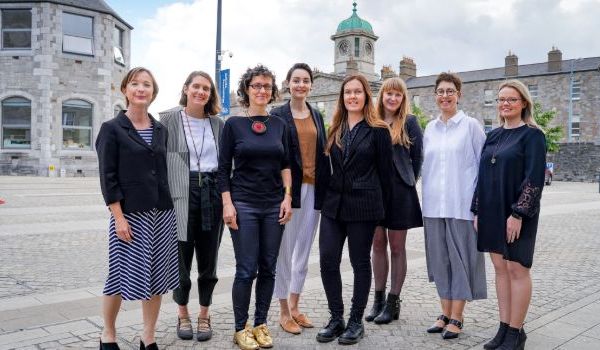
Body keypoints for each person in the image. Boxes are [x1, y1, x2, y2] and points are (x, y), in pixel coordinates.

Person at [96, 67, 178, 350]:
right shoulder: (111, 129)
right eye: (135, 84)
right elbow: (108, 178)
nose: (141, 89)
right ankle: (108, 333)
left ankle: (148, 335)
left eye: (147, 85)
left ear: (153, 93)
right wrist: (118, 217)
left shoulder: (161, 130)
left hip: (162, 213)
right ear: (125, 90)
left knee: (156, 276)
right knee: (119, 274)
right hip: (129, 216)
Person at [217, 64, 292, 350]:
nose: (262, 90)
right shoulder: (233, 125)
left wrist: (287, 198)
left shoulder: (279, 125)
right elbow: (224, 169)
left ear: (272, 91)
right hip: (244, 204)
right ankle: (240, 328)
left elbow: (286, 165)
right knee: (246, 269)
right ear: (246, 90)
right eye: (256, 85)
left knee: (268, 268)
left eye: (267, 86)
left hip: (274, 204)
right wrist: (228, 204)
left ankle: (261, 324)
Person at [316, 74, 393, 345]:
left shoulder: (379, 130)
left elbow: (386, 175)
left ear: (365, 96)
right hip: (333, 206)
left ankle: (355, 321)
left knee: (360, 263)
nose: (352, 96)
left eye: (357, 92)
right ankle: (336, 318)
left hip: (364, 206)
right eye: (348, 92)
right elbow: (326, 171)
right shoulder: (335, 128)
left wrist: (383, 213)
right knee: (327, 260)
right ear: (342, 97)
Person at [472, 80, 546, 350]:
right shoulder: (492, 136)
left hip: (516, 213)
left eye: (511, 99)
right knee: (500, 269)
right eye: (501, 99)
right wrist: (477, 210)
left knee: (517, 268)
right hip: (491, 211)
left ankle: (516, 333)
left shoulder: (533, 135)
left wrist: (518, 214)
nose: (505, 103)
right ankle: (503, 329)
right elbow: (481, 177)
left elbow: (534, 178)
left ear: (523, 102)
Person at [159, 71, 224, 342]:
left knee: (209, 260)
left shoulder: (219, 125)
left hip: (212, 193)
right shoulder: (168, 120)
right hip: (181, 194)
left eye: (206, 88)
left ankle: (204, 314)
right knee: (181, 259)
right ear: (186, 89)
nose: (200, 92)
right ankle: (183, 313)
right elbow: (159, 162)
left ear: (211, 94)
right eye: (195, 86)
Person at [421, 72, 487, 340]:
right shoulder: (429, 128)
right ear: (435, 96)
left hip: (462, 206)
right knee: (440, 261)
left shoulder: (470, 126)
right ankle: (445, 313)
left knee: (461, 262)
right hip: (433, 206)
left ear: (459, 95)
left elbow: (484, 168)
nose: (445, 96)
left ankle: (457, 316)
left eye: (450, 91)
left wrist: (479, 207)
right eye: (441, 91)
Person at [270, 63, 329, 335]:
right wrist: (283, 193)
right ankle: (283, 311)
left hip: (314, 190)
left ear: (311, 85)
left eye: (306, 80)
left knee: (303, 253)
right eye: (296, 80)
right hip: (289, 193)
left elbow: (323, 154)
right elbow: (274, 156)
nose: (301, 85)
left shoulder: (316, 116)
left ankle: (295, 306)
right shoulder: (278, 114)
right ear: (287, 83)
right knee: (285, 252)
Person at [366, 77, 423, 324]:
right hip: (374, 192)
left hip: (400, 192)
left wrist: (408, 180)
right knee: (377, 245)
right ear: (382, 96)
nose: (392, 98)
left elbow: (418, 159)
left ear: (403, 98)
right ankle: (377, 299)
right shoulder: (372, 120)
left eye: (397, 95)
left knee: (397, 247)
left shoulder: (409, 122)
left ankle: (393, 301)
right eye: (389, 94)